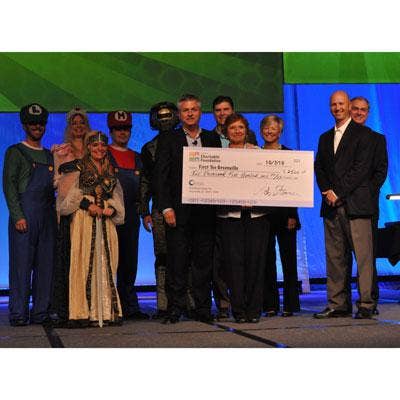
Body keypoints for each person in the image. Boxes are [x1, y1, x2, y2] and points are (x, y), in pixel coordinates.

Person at [154, 94, 221, 323]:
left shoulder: (212, 138)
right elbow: (160, 177)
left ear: (200, 112)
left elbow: (221, 173)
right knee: (177, 263)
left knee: (203, 263)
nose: (190, 113)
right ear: (179, 115)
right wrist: (165, 208)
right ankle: (175, 308)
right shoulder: (168, 139)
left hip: (206, 213)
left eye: (194, 109)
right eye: (186, 110)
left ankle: (203, 308)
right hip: (177, 213)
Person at [314, 90, 376, 319]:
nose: (337, 108)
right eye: (334, 104)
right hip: (331, 206)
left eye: (341, 104)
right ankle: (337, 304)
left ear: (349, 105)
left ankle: (366, 304)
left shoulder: (364, 134)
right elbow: (319, 167)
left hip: (356, 205)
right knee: (335, 258)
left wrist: (338, 192)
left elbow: (361, 169)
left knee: (363, 258)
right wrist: (327, 192)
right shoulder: (324, 137)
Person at [58, 130, 125, 327]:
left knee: (105, 262)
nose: (99, 149)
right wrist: (88, 205)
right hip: (84, 221)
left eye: (103, 145)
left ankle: (103, 310)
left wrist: (111, 209)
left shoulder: (109, 172)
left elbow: (118, 202)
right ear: (88, 147)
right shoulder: (78, 168)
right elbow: (66, 201)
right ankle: (82, 311)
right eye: (95, 145)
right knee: (84, 260)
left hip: (105, 222)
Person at [3, 103, 56, 326]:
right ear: (24, 125)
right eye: (33, 123)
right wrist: (17, 216)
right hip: (26, 214)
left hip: (47, 216)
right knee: (21, 266)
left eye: (41, 123)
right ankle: (18, 313)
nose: (37, 127)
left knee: (45, 266)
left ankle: (41, 312)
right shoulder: (15, 152)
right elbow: (9, 186)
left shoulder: (50, 155)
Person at [138, 101, 188, 320]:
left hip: (186, 208)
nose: (165, 120)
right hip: (160, 209)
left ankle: (188, 302)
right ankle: (164, 303)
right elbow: (146, 181)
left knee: (187, 254)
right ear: (155, 120)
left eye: (169, 116)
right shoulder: (149, 148)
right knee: (162, 256)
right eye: (161, 116)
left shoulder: (187, 141)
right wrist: (144, 211)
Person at [217, 113, 269, 323]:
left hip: (257, 216)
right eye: (232, 128)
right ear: (226, 132)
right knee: (234, 264)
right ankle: (238, 311)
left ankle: (254, 310)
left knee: (256, 263)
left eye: (240, 127)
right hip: (230, 217)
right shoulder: (219, 156)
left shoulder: (258, 153)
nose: (237, 131)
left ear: (246, 130)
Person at [50, 107, 91, 326]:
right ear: (69, 126)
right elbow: (56, 182)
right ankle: (67, 308)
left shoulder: (94, 149)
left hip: (90, 211)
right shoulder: (61, 151)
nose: (78, 127)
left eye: (81, 123)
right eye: (74, 123)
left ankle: (88, 306)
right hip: (69, 210)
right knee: (69, 258)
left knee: (88, 258)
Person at [107, 110, 149, 320]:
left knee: (129, 262)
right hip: (109, 215)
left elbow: (143, 191)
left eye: (126, 129)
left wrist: (145, 213)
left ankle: (130, 306)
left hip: (131, 216)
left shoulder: (138, 158)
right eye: (118, 129)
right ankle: (108, 307)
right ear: (111, 131)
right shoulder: (103, 154)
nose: (122, 132)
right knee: (109, 261)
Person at [349, 96, 388, 314]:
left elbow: (381, 172)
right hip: (341, 204)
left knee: (367, 255)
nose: (359, 112)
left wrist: (364, 193)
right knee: (342, 256)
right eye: (355, 109)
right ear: (349, 110)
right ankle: (342, 303)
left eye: (363, 109)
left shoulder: (377, 139)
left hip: (366, 205)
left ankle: (369, 301)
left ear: (368, 112)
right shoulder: (338, 137)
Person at [260, 115, 301, 317]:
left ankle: (291, 304)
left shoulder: (289, 155)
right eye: (266, 128)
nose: (269, 131)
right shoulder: (254, 155)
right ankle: (270, 304)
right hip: (263, 216)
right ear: (261, 131)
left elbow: (295, 188)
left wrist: (293, 214)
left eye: (273, 128)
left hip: (286, 216)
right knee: (266, 261)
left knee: (289, 261)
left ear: (280, 132)